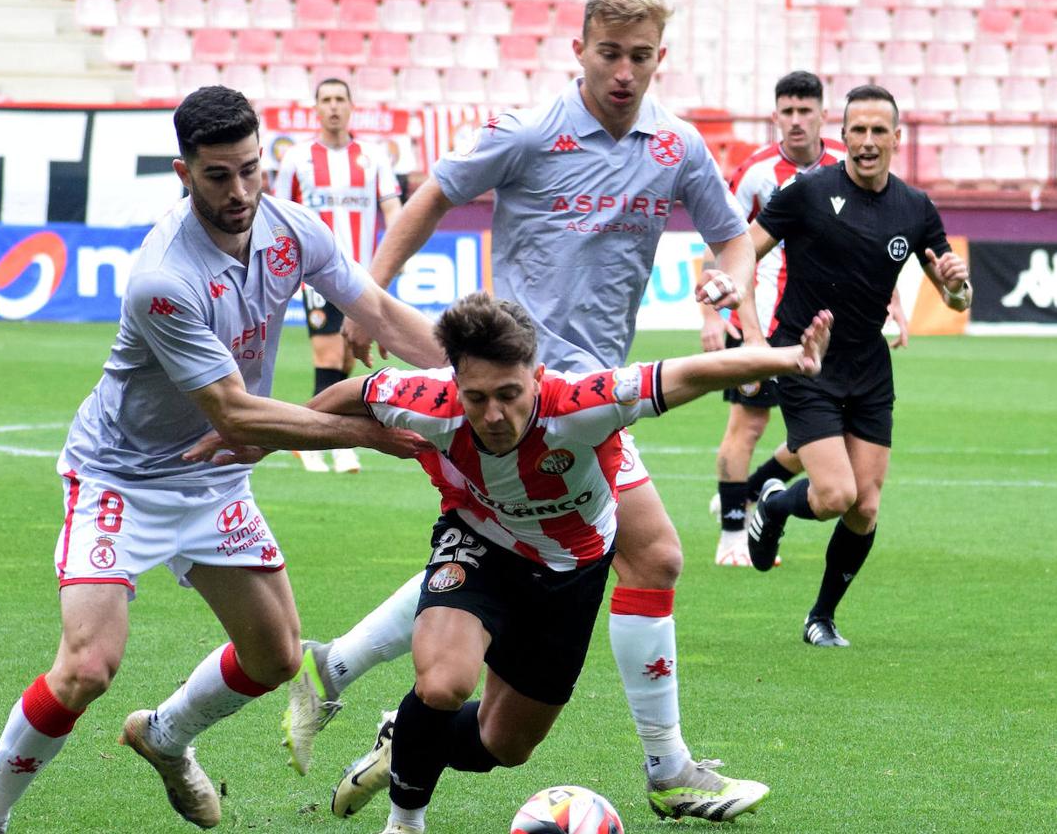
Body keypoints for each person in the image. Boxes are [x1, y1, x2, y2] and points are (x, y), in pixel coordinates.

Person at [283, 0, 769, 821]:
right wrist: (368, 300)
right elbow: (434, 193)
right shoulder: (526, 130)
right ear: (577, 48)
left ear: (659, 55)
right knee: (651, 556)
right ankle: (668, 768)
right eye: (609, 52)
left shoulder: (675, 144)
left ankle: (336, 668)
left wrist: (735, 282)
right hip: (527, 392)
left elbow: (729, 233)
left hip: (584, 396)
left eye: (640, 55)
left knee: (511, 569)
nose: (623, 71)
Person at [0, 86, 445, 834]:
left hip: (213, 478)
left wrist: (469, 375)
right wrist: (366, 432)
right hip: (123, 473)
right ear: (183, 173)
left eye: (251, 169)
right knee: (87, 666)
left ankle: (164, 736)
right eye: (219, 175)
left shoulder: (292, 230)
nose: (240, 191)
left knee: (277, 656)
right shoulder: (163, 279)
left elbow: (374, 311)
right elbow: (234, 411)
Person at [190, 292, 830, 834]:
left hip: (571, 574)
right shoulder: (427, 399)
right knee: (443, 683)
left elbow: (690, 372)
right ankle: (404, 822)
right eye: (476, 397)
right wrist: (259, 438)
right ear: (455, 385)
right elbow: (354, 392)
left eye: (509, 394)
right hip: (478, 548)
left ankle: (401, 738)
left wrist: (789, 359)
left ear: (537, 375)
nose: (493, 415)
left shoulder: (584, 404)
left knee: (505, 745)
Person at [742, 84, 972, 647]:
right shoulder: (806, 192)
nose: (868, 142)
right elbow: (742, 249)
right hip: (806, 358)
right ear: (841, 136)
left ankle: (820, 617)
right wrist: (749, 335)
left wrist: (958, 290)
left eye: (879, 131)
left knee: (865, 508)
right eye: (857, 131)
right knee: (836, 496)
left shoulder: (916, 208)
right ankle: (773, 505)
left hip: (869, 366)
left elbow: (955, 297)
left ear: (897, 138)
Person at [704, 71, 911, 567]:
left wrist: (895, 304)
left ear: (823, 116)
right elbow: (729, 246)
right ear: (775, 115)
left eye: (805, 111)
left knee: (820, 441)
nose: (795, 122)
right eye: (787, 112)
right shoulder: (756, 171)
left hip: (828, 338)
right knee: (747, 428)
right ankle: (732, 534)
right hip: (763, 324)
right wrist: (729, 321)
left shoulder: (849, 164)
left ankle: (754, 492)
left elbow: (877, 247)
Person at [273, 77, 404, 474]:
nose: (333, 107)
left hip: (361, 274)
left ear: (351, 106)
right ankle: (325, 441)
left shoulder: (374, 156)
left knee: (347, 356)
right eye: (325, 100)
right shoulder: (296, 159)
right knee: (328, 354)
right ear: (316, 108)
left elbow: (392, 208)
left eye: (339, 99)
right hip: (315, 273)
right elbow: (279, 217)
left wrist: (395, 258)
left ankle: (316, 436)